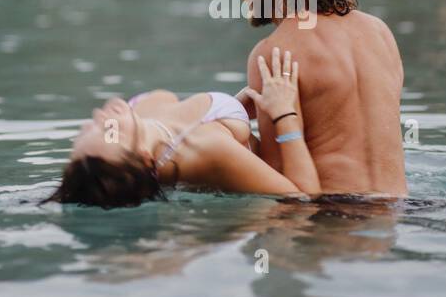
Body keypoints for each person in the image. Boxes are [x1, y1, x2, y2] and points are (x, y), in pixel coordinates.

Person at [235, 0, 407, 196]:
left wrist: (231, 129)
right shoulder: (379, 32)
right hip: (399, 212)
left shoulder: (273, 54)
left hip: (332, 218)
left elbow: (283, 186)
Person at [47, 48, 320, 208]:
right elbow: (302, 198)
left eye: (88, 128)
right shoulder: (205, 150)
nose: (99, 116)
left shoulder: (138, 115)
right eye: (109, 133)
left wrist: (236, 109)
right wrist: (285, 113)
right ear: (144, 158)